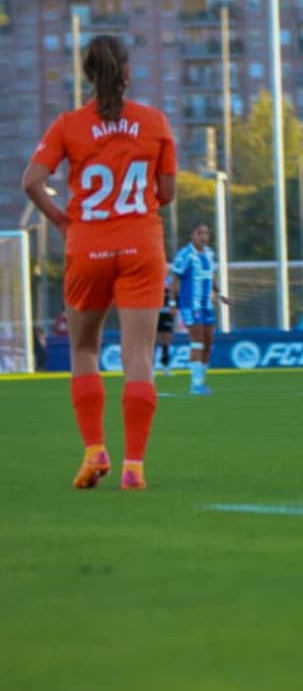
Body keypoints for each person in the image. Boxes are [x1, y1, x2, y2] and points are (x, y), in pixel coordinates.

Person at [22, 34, 177, 490]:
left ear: (87, 75)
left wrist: (63, 222)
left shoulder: (68, 125)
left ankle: (94, 452)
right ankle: (134, 467)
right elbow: (166, 194)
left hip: (87, 246)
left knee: (85, 350)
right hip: (141, 246)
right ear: (127, 72)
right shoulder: (154, 122)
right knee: (139, 358)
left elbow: (32, 181)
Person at [168, 221, 229, 396]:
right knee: (197, 341)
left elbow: (211, 278)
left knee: (209, 341)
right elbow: (175, 279)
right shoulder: (185, 254)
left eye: (206, 233)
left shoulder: (209, 254)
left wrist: (220, 294)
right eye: (200, 233)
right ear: (192, 236)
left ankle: (201, 381)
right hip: (190, 304)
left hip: (206, 304)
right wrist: (172, 303)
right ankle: (195, 384)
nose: (204, 237)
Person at [155, 287, 177, 379]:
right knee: (153, 341)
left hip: (167, 313)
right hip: (155, 311)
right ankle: (151, 368)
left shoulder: (172, 278)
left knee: (166, 342)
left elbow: (175, 293)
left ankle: (165, 367)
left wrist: (174, 306)